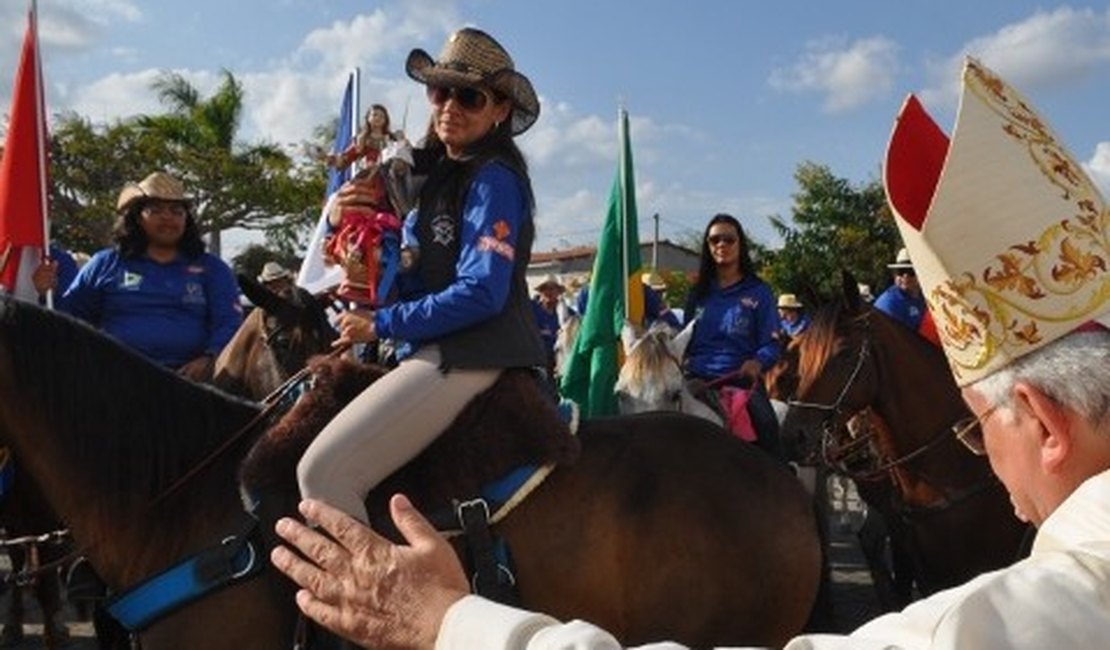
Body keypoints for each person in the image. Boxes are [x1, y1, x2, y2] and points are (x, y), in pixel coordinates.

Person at [270, 57, 1110, 650]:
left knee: (781, 431)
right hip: (679, 371)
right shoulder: (703, 294)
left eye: (974, 428)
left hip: (727, 387)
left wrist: (750, 371)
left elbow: (763, 346)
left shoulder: (747, 296)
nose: (448, 106)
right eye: (440, 93)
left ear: (1039, 419)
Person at [295, 27, 546, 524]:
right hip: (431, 348)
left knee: (321, 475)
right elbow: (398, 276)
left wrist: (382, 325)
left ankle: (370, 602)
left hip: (473, 352)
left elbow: (482, 292)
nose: (450, 106)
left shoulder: (492, 178)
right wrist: (347, 229)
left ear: (500, 110)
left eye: (469, 96)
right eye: (440, 91)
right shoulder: (436, 180)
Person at [57, 171, 242, 382]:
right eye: (155, 210)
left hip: (191, 386)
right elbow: (69, 316)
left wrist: (210, 358)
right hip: (114, 382)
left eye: (176, 211)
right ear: (137, 218)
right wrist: (45, 291)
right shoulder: (105, 263)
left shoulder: (213, 268)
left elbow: (229, 322)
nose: (168, 217)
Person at [682, 213, 783, 457]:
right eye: (715, 240)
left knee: (768, 425)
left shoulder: (759, 292)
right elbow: (683, 340)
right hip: (695, 381)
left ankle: (780, 481)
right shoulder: (697, 294)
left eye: (729, 239)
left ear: (740, 245)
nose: (721, 245)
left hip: (741, 381)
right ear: (707, 246)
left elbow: (772, 343)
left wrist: (757, 362)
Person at [530, 273, 572, 378]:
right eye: (545, 289)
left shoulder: (566, 311)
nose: (549, 292)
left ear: (558, 292)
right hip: (538, 361)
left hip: (560, 360)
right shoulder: (531, 309)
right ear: (540, 292)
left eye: (553, 289)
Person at [874, 247, 926, 331]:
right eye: (901, 271)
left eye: (911, 271)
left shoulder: (925, 296)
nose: (905, 276)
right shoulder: (889, 303)